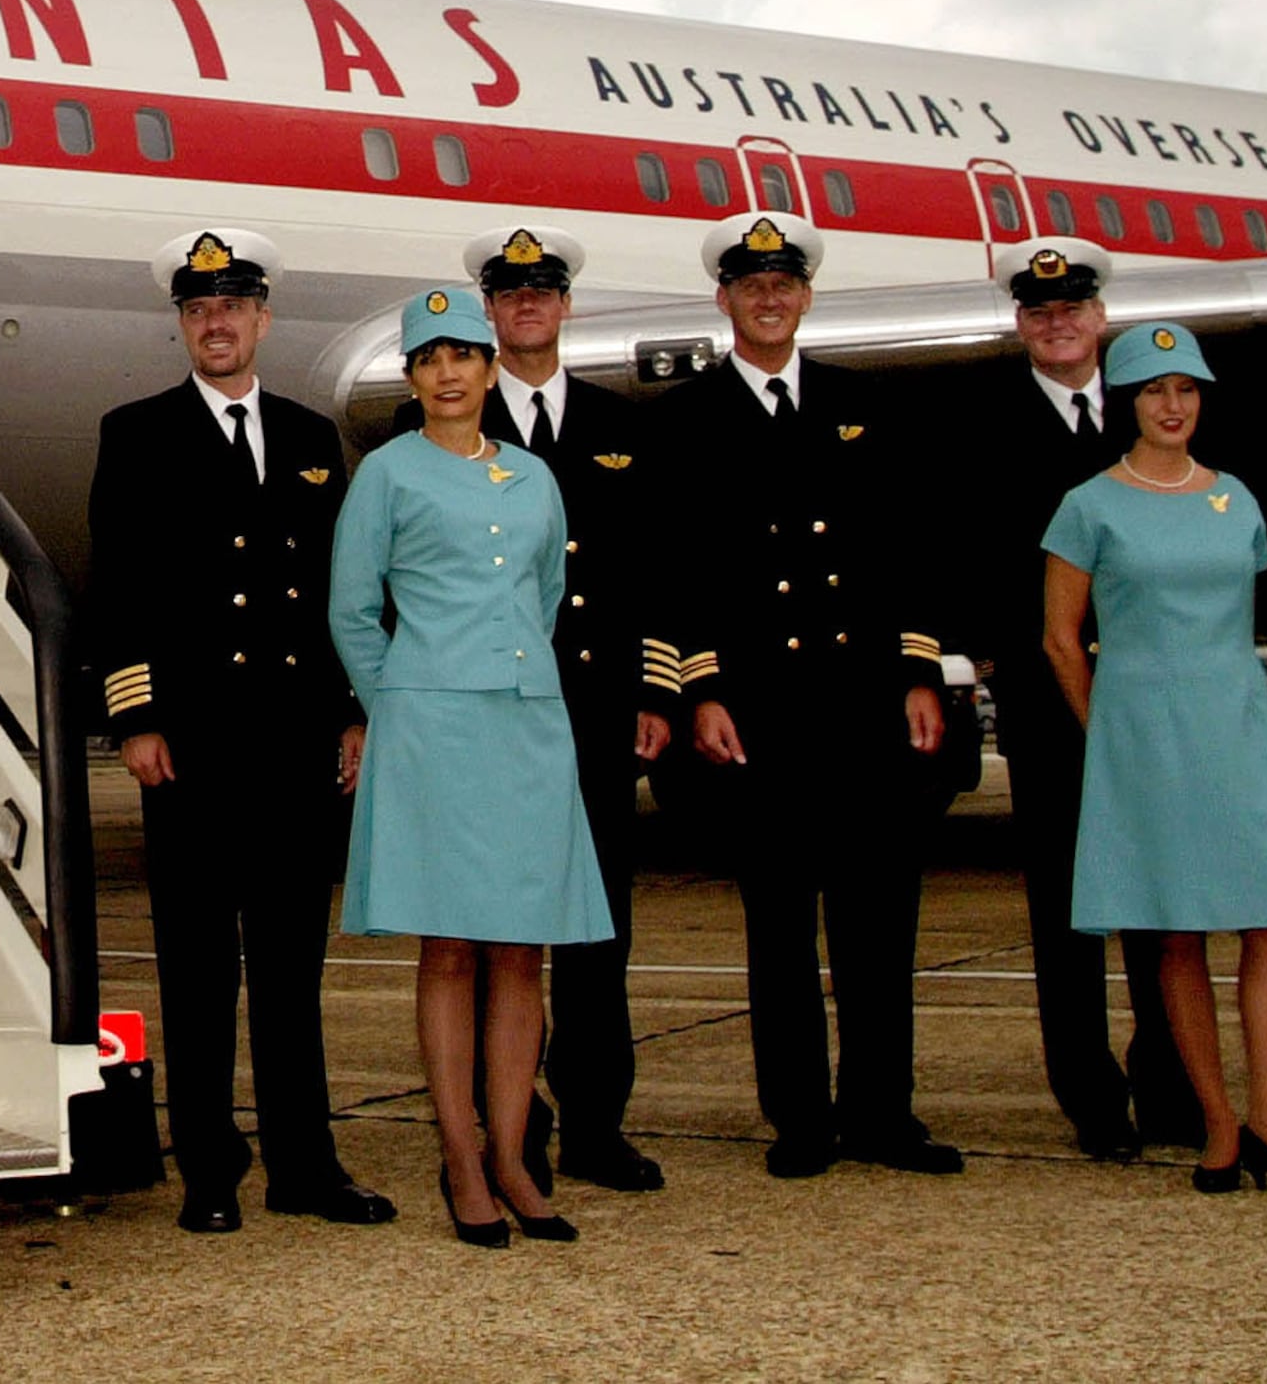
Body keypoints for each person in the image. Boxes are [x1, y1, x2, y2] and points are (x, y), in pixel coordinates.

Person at [84, 229, 396, 1235]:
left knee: (292, 970)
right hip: (195, 750)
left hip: (297, 746)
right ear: (182, 323)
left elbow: (344, 595)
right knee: (198, 969)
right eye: (197, 308)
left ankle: (306, 1162)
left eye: (233, 306)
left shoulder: (311, 438)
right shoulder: (135, 432)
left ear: (263, 318)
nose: (215, 323)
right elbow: (116, 589)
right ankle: (210, 1171)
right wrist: (134, 715)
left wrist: (353, 711)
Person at [655, 212, 960, 1180]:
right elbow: (676, 575)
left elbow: (909, 551)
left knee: (880, 926)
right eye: (751, 286)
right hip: (763, 713)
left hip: (865, 705)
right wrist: (698, 686)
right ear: (725, 299)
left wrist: (919, 671)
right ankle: (800, 1119)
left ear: (805, 295)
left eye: (784, 283)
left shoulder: (864, 409)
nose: (769, 298)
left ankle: (883, 1113)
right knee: (781, 932)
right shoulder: (686, 420)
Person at [1041, 322, 1267, 1200]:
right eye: (1154, 390)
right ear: (1128, 402)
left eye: (1186, 389)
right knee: (1176, 932)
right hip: (1146, 733)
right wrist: (1108, 731)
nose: (1173, 405)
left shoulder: (1240, 497)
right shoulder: (1089, 504)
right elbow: (1061, 640)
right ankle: (1219, 1123)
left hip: (1238, 723)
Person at [330, 285, 617, 1246]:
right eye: (428, 358)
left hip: (528, 727)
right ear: (410, 378)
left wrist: (503, 680)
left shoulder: (534, 476)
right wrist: (400, 703)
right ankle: (460, 1156)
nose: (448, 371)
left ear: (492, 368)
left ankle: (512, 1156)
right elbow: (350, 611)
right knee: (450, 950)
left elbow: (547, 595)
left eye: (464, 354)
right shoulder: (386, 473)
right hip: (432, 729)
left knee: (522, 951)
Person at [946, 239, 1196, 1159]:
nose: (1057, 324)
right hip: (1053, 698)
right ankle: (1092, 1095)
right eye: (1039, 312)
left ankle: (1172, 1082)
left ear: (1099, 318)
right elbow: (972, 554)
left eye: (1073, 309)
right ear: (1021, 323)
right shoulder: (981, 422)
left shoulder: (1150, 418)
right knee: (1068, 904)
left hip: (1153, 693)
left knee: (1164, 901)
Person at [448, 223, 675, 1195]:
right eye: (509, 293)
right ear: (491, 311)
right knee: (496, 924)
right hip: (495, 710)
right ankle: (510, 1123)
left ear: (566, 304)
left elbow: (656, 571)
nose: (528, 305)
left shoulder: (626, 424)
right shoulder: (455, 427)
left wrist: (656, 687)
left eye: (543, 290)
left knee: (594, 925)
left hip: (592, 707)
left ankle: (594, 1121)